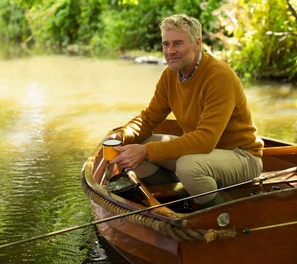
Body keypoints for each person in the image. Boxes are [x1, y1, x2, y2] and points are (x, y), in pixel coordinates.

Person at [109, 14, 264, 209]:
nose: (170, 51)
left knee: (188, 166)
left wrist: (146, 151)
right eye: (166, 44)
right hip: (203, 155)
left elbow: (206, 139)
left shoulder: (219, 76)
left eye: (178, 44)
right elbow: (148, 120)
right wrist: (121, 136)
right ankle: (177, 203)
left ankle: (224, 212)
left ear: (197, 43)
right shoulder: (170, 76)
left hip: (241, 157)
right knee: (135, 146)